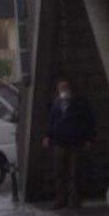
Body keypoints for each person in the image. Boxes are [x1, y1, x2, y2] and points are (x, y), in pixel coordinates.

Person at [43, 79, 96, 209]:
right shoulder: (56, 103)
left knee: (75, 172)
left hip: (76, 142)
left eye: (66, 87)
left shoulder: (80, 103)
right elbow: (51, 121)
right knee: (59, 172)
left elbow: (89, 122)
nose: (64, 90)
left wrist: (89, 139)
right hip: (59, 142)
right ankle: (61, 199)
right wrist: (47, 136)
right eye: (61, 88)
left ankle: (75, 200)